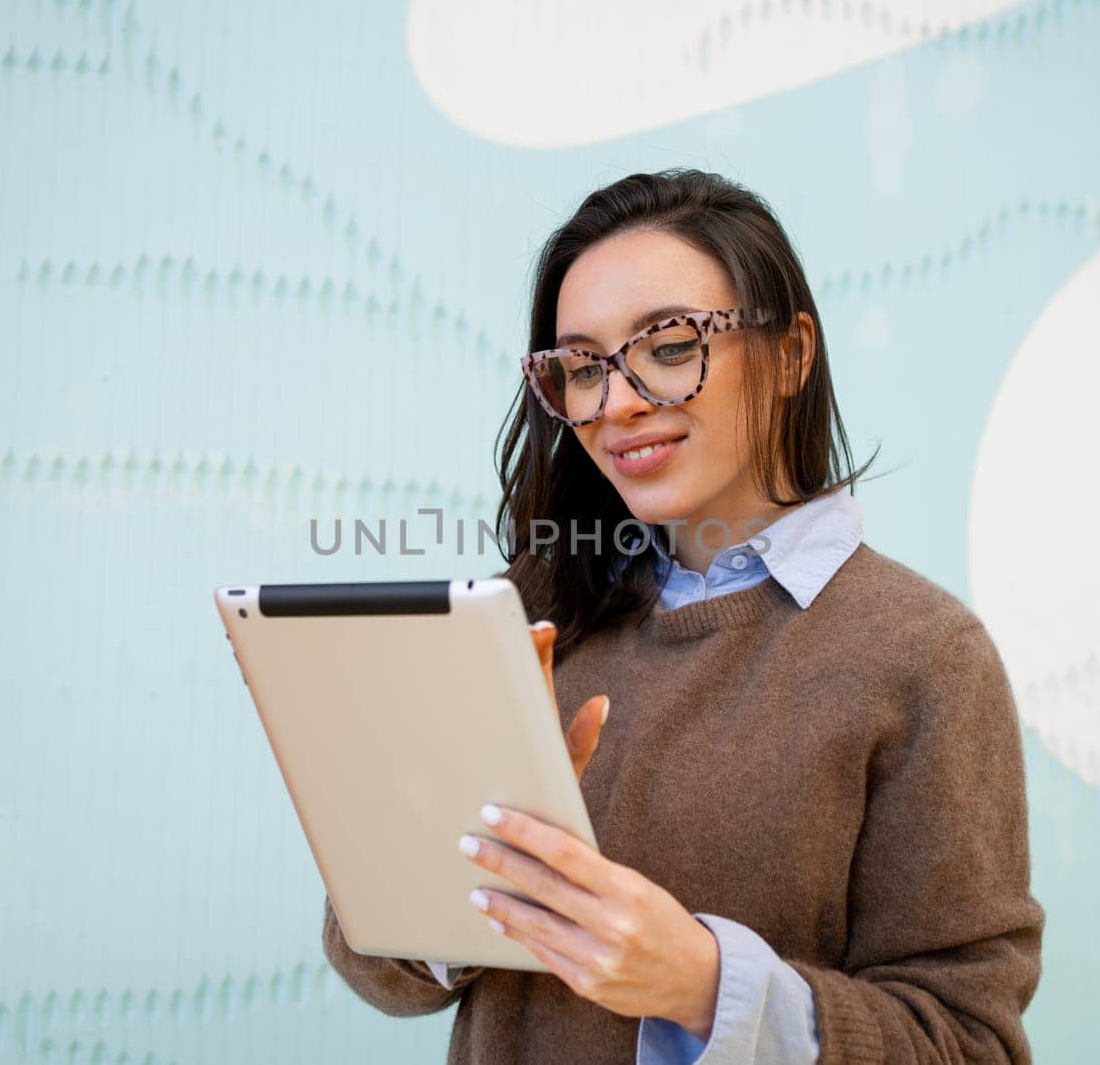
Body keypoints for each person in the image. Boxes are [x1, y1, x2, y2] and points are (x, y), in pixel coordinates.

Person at [321, 168, 1046, 1064]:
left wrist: (703, 985)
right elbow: (371, 963)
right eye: (582, 368)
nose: (615, 403)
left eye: (668, 347)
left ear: (790, 355)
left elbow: (970, 1045)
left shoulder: (924, 656)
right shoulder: (528, 613)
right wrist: (460, 862)